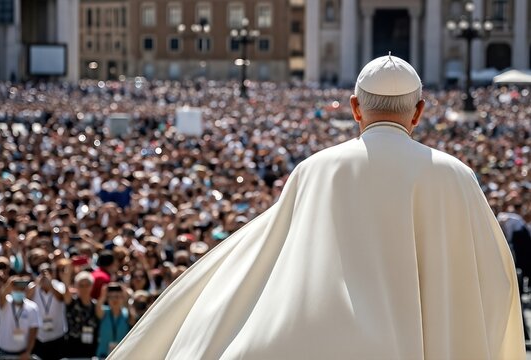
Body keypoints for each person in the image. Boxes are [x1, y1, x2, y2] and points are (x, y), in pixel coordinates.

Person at [107, 55, 525, 359]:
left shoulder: (315, 169)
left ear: (355, 109)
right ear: (418, 112)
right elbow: (495, 281)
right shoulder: (456, 176)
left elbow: (271, 258)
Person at [29, 263, 67, 359]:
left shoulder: (59, 285)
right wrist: (37, 283)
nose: (45, 275)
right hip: (39, 336)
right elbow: (26, 298)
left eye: (48, 272)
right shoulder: (33, 287)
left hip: (57, 335)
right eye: (42, 272)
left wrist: (51, 286)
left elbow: (61, 298)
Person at [0, 276, 40, 359]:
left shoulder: (32, 307)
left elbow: (33, 332)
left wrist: (28, 351)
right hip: (3, 352)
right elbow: (1, 296)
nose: (19, 291)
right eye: (16, 289)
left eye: (21, 289)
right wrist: (9, 284)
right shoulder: (6, 302)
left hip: (22, 354)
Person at [64, 271, 100, 358]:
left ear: (92, 286)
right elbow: (66, 293)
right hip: (73, 349)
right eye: (81, 285)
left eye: (87, 285)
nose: (84, 288)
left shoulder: (96, 305)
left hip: (91, 350)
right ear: (76, 287)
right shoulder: (72, 302)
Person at [96, 283, 135, 358]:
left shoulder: (127, 313)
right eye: (111, 297)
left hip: (122, 355)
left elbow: (132, 321)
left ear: (122, 298)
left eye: (117, 297)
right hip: (103, 355)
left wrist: (126, 297)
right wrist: (103, 294)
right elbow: (98, 307)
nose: (114, 300)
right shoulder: (104, 312)